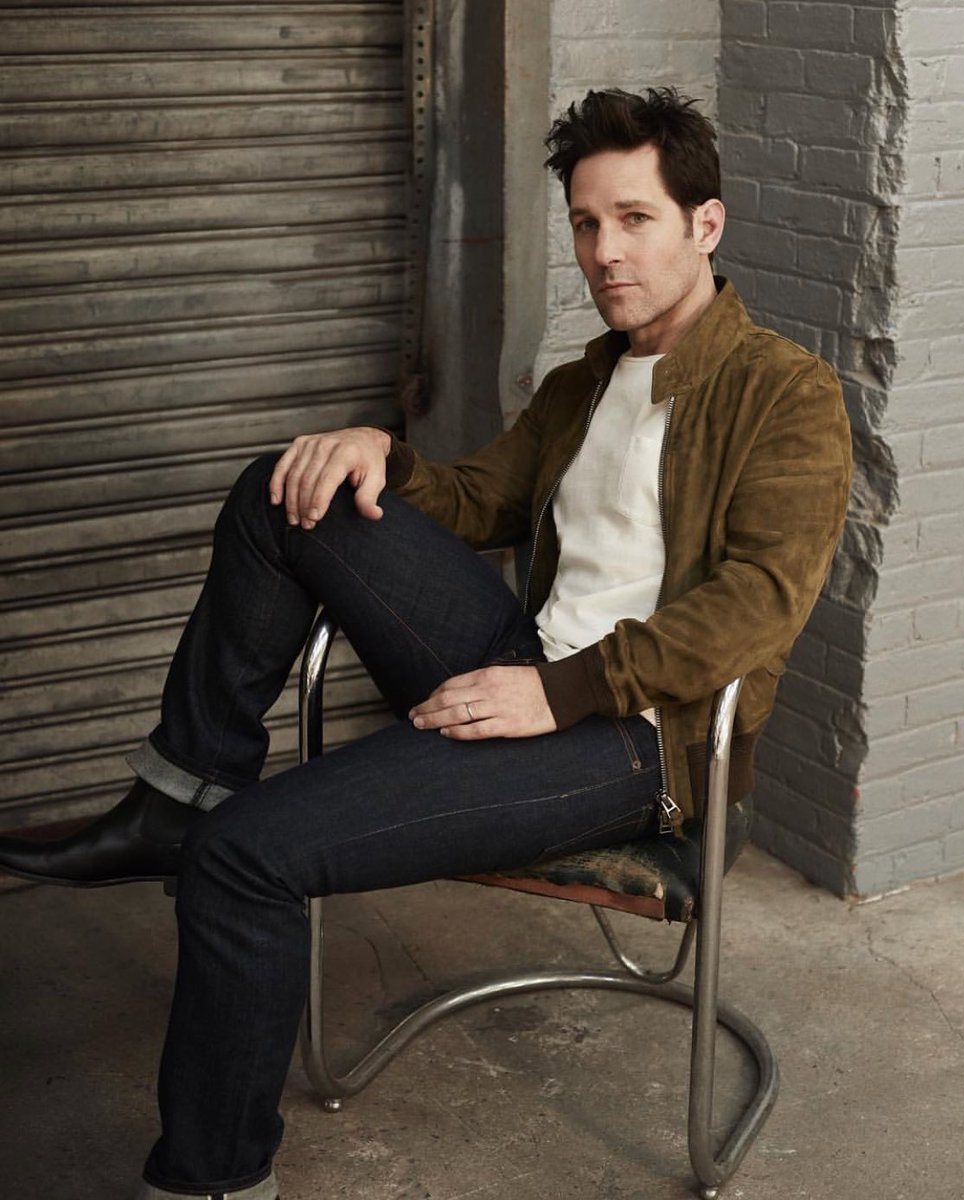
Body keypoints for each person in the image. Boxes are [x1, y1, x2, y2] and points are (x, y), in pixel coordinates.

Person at [0, 87, 852, 1200]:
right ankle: (180, 791)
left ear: (706, 224)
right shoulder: (583, 382)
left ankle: (210, 1181)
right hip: (517, 656)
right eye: (585, 222)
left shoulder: (784, 392)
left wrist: (561, 692)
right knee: (285, 488)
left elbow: (760, 601)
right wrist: (380, 454)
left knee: (245, 858)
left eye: (634, 219)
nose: (603, 251)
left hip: (632, 738)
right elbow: (475, 499)